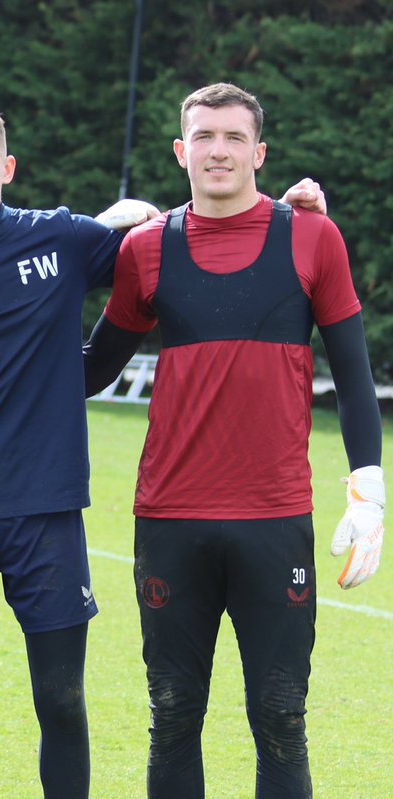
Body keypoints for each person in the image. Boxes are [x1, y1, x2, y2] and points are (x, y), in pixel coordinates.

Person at [0, 103, 330, 799]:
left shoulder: (64, 239)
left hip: (46, 507)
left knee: (63, 698)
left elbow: (185, 247)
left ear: (7, 167)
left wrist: (280, 216)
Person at [82, 83, 381, 798]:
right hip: (170, 520)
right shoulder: (145, 249)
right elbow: (87, 373)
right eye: (204, 137)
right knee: (172, 715)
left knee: (280, 715)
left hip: (274, 519)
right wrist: (76, 253)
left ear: (259, 153)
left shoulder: (312, 237)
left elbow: (354, 375)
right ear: (181, 151)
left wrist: (368, 484)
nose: (218, 151)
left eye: (234, 137)